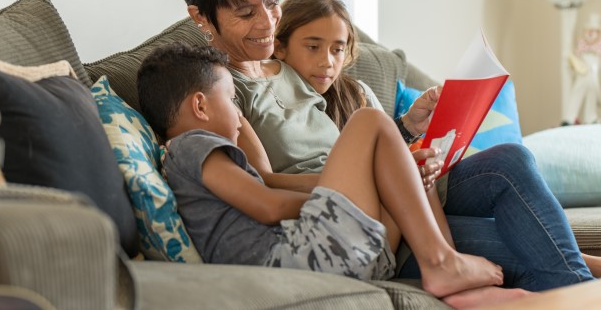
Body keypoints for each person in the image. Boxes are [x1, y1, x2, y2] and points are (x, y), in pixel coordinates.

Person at [178, 0, 601, 292]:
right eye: (244, 12)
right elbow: (262, 184)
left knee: (511, 161)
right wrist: (380, 176)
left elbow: (348, 136)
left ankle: (594, 274)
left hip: (391, 191)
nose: (265, 23)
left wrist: (404, 140)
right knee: (527, 254)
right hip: (349, 216)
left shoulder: (288, 65)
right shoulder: (214, 92)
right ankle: (587, 285)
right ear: (202, 18)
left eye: (272, 5)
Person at [137, 42, 522, 307]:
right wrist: (344, 194)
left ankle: (446, 262)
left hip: (329, 254)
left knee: (413, 168)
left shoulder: (196, 154)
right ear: (201, 106)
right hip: (300, 255)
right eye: (232, 99)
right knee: (368, 120)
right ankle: (441, 260)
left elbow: (263, 182)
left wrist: (365, 185)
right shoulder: (191, 146)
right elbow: (268, 206)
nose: (239, 113)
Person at [563, 12, 601, 125]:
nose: (592, 34)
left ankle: (591, 117)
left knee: (592, 99)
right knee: (576, 96)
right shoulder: (581, 52)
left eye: (595, 31)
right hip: (581, 80)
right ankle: (569, 118)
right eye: (590, 30)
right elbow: (574, 65)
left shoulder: (599, 55)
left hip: (594, 83)